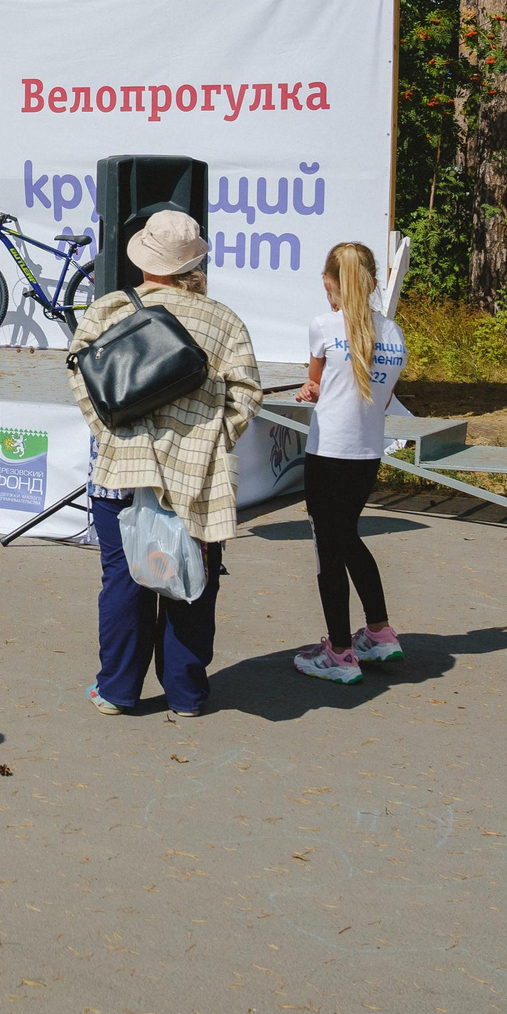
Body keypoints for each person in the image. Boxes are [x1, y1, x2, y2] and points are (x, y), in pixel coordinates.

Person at [66, 210, 262, 719]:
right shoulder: (224, 320)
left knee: (124, 582)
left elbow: (80, 381)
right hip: (198, 477)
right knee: (192, 583)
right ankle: (187, 695)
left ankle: (116, 691)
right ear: (192, 264)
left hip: (122, 472)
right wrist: (211, 436)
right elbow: (247, 396)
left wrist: (111, 427)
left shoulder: (107, 310)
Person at [290, 243, 410, 684]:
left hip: (329, 454)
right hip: (366, 454)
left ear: (335, 282)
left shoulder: (324, 326)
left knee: (329, 548)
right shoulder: (394, 333)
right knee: (347, 538)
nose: (326, 295)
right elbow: (381, 397)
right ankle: (378, 632)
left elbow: (318, 384)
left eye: (327, 286)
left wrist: (310, 388)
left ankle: (339, 651)